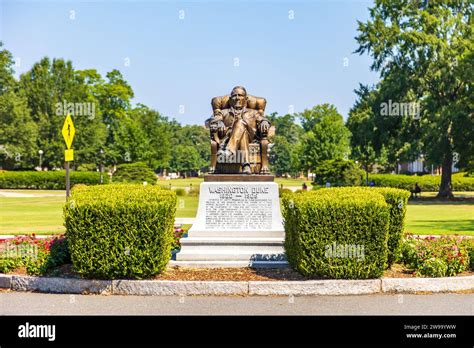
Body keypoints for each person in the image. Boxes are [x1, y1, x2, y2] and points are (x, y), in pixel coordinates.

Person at [210, 86, 271, 174]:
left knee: (240, 123)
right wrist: (219, 122)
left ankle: (229, 151)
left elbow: (263, 119)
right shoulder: (224, 113)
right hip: (229, 137)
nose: (237, 98)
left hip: (251, 137)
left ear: (246, 99)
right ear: (230, 99)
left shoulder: (253, 113)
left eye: (240, 95)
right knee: (242, 133)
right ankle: (246, 166)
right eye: (235, 96)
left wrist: (265, 122)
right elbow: (213, 119)